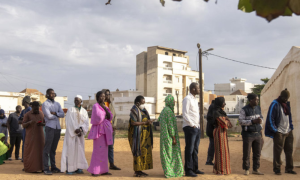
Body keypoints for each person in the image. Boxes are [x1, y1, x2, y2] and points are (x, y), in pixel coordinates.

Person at [265, 89, 297, 175]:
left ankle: (289, 168)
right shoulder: (274, 104)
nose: (286, 100)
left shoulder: (287, 105)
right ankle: (277, 169)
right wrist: (275, 130)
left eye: (287, 98)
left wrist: (291, 127)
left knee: (289, 151)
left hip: (288, 131)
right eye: (285, 98)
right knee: (278, 151)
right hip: (279, 132)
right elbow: (270, 119)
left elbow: (289, 117)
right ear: (281, 96)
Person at [61, 95, 89, 175]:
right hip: (71, 134)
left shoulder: (84, 111)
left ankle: (78, 168)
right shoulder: (70, 110)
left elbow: (86, 123)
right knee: (71, 151)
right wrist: (75, 130)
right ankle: (70, 169)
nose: (76, 101)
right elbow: (69, 122)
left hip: (80, 134)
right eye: (75, 100)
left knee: (79, 151)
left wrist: (81, 130)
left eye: (78, 100)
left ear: (81, 101)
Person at [87, 91, 113, 176]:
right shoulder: (95, 106)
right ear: (97, 97)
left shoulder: (105, 106)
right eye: (101, 96)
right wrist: (104, 116)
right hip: (98, 131)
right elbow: (98, 117)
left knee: (104, 152)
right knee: (97, 151)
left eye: (104, 96)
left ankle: (104, 170)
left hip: (105, 131)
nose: (103, 98)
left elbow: (110, 116)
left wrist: (105, 109)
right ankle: (95, 171)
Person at [158, 95, 184, 178]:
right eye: (173, 101)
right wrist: (173, 137)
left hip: (163, 137)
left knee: (166, 154)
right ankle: (172, 172)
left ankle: (167, 171)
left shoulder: (163, 111)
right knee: (172, 154)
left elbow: (159, 121)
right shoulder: (169, 112)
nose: (174, 103)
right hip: (169, 137)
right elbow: (170, 126)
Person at [128, 95, 154, 177]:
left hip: (145, 136)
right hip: (137, 136)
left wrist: (149, 121)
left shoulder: (143, 110)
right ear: (137, 103)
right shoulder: (134, 110)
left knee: (143, 152)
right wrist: (145, 123)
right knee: (137, 152)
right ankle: (137, 171)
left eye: (144, 102)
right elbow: (133, 123)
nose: (144, 104)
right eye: (142, 103)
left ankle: (141, 170)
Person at [182, 83, 204, 177]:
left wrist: (197, 126)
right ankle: (188, 170)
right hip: (190, 128)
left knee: (195, 149)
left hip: (196, 127)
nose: (200, 89)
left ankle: (195, 168)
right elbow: (185, 114)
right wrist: (192, 125)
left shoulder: (195, 99)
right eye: (198, 88)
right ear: (193, 89)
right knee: (189, 149)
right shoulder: (187, 99)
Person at [239, 93, 264, 175]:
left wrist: (260, 123)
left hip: (257, 134)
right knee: (247, 153)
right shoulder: (244, 109)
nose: (257, 101)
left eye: (258, 99)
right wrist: (252, 122)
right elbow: (241, 121)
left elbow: (262, 118)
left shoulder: (258, 108)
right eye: (256, 99)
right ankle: (246, 169)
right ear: (250, 100)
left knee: (257, 153)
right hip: (248, 134)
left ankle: (255, 169)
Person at [42, 88, 65, 175]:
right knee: (47, 148)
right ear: (47, 95)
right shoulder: (45, 104)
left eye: (53, 93)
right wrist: (56, 115)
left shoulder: (57, 104)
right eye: (51, 93)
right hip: (50, 127)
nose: (53, 95)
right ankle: (46, 168)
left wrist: (55, 113)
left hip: (57, 128)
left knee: (53, 149)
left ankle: (53, 166)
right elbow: (48, 116)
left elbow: (62, 114)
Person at [22, 101, 45, 173]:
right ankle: (31, 168)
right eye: (35, 109)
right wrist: (29, 122)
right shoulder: (27, 114)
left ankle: (42, 167)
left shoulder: (41, 113)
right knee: (30, 152)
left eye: (38, 108)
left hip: (40, 136)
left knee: (41, 151)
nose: (37, 110)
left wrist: (42, 124)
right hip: (30, 137)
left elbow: (45, 123)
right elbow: (23, 125)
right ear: (32, 107)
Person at [102, 89, 121, 170]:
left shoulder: (110, 104)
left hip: (111, 129)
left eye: (109, 94)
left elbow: (115, 115)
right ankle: (103, 165)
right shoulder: (101, 105)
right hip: (103, 129)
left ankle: (112, 164)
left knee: (111, 147)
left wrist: (114, 125)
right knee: (103, 147)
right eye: (106, 94)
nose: (107, 95)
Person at [213, 97, 232, 175]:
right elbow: (224, 122)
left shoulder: (222, 112)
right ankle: (220, 170)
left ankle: (225, 169)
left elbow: (229, 124)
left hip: (223, 132)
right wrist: (226, 120)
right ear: (220, 103)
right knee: (220, 150)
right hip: (219, 132)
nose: (224, 104)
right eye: (223, 102)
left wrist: (226, 121)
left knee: (225, 150)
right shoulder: (215, 112)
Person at [19, 96, 32, 162]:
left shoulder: (29, 109)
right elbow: (19, 121)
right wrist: (24, 121)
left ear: (25, 102)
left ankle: (28, 157)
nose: (22, 102)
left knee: (29, 143)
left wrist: (24, 120)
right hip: (24, 129)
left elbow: (30, 120)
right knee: (24, 143)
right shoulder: (23, 111)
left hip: (29, 129)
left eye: (23, 101)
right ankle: (24, 157)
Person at [205, 100, 215, 166]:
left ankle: (209, 159)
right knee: (212, 145)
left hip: (210, 130)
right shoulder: (213, 110)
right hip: (211, 131)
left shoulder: (211, 110)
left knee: (212, 145)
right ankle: (209, 160)